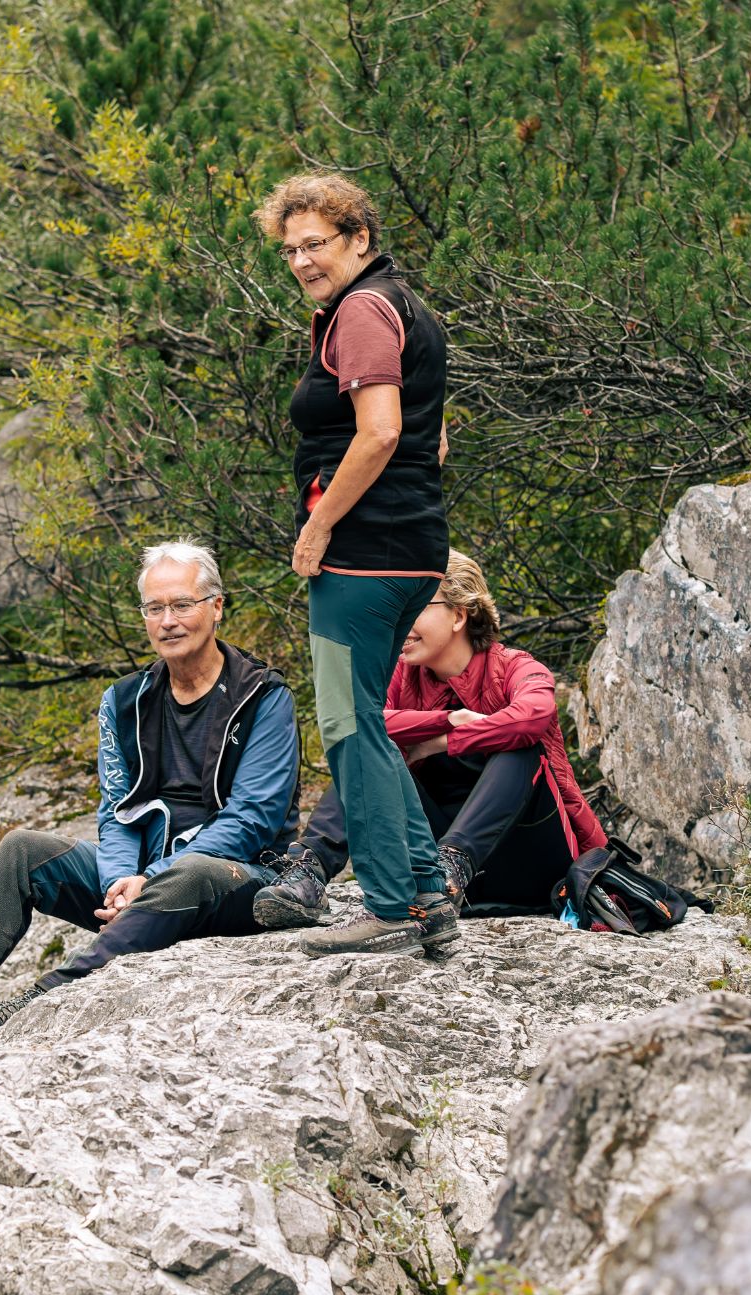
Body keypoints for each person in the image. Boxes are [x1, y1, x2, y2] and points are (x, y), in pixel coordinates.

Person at [0, 539, 304, 1047]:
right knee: (22, 849)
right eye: (154, 608)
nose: (168, 621)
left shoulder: (263, 698)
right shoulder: (124, 701)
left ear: (216, 607)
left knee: (192, 873)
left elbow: (252, 818)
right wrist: (121, 880)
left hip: (236, 881)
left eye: (182, 605)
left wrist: (153, 878)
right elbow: (116, 810)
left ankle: (38, 1004)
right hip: (142, 883)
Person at [252, 173, 459, 959]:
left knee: (345, 725)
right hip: (409, 551)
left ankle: (388, 903)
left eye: (318, 243)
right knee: (363, 724)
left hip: (364, 556)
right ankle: (426, 896)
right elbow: (429, 439)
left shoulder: (365, 311)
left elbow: (378, 434)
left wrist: (320, 527)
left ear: (360, 239)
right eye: (292, 248)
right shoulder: (402, 306)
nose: (304, 260)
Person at [256, 551, 607, 932]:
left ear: (459, 615)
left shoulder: (516, 668)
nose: (398, 621)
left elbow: (534, 716)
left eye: (415, 607)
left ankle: (452, 865)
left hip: (534, 863)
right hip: (436, 878)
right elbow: (356, 721)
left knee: (521, 747)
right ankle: (309, 869)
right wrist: (447, 719)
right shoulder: (398, 676)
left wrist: (442, 742)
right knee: (365, 751)